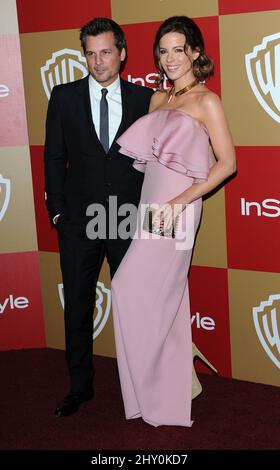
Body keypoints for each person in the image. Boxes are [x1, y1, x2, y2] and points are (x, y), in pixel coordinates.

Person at [110, 16, 236, 427]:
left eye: (178, 49)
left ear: (195, 52)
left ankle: (160, 388)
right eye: (163, 51)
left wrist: (180, 201)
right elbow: (150, 166)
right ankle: (178, 377)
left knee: (127, 286)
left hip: (178, 211)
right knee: (165, 297)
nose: (169, 58)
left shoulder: (206, 101)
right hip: (152, 208)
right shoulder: (157, 100)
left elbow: (227, 163)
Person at [44, 17, 153, 417]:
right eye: (90, 53)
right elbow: (54, 156)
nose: (98, 60)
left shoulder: (145, 98)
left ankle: (140, 386)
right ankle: (79, 386)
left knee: (134, 306)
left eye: (105, 51)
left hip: (127, 217)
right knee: (76, 304)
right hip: (78, 221)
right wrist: (57, 210)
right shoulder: (64, 96)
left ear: (122, 53)